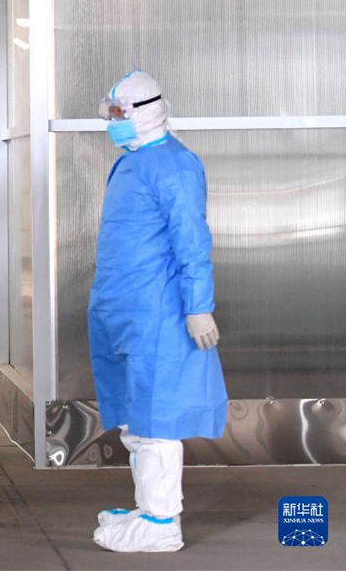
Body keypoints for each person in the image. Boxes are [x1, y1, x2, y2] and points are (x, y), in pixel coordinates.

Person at [88, 70, 228, 553]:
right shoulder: (130, 163)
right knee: (136, 417)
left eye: (119, 112)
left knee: (156, 419)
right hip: (124, 312)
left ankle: (162, 522)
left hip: (159, 314)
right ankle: (147, 507)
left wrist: (199, 306)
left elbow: (192, 239)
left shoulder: (176, 165)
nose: (112, 121)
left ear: (145, 111)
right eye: (110, 112)